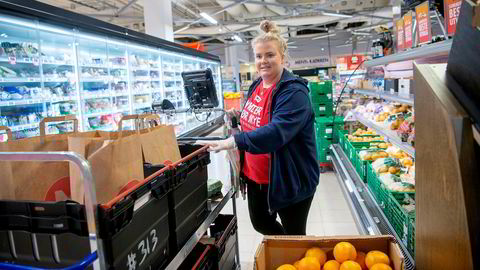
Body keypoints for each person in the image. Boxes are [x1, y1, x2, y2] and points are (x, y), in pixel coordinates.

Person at [199, 20, 319, 235]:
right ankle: (280, 253)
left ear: (283, 57)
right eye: (259, 56)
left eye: (270, 55)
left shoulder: (294, 93)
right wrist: (239, 117)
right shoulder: (257, 84)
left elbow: (276, 131)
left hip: (289, 179)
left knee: (294, 236)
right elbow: (257, 118)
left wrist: (233, 141)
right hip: (255, 176)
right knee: (261, 224)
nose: (263, 61)